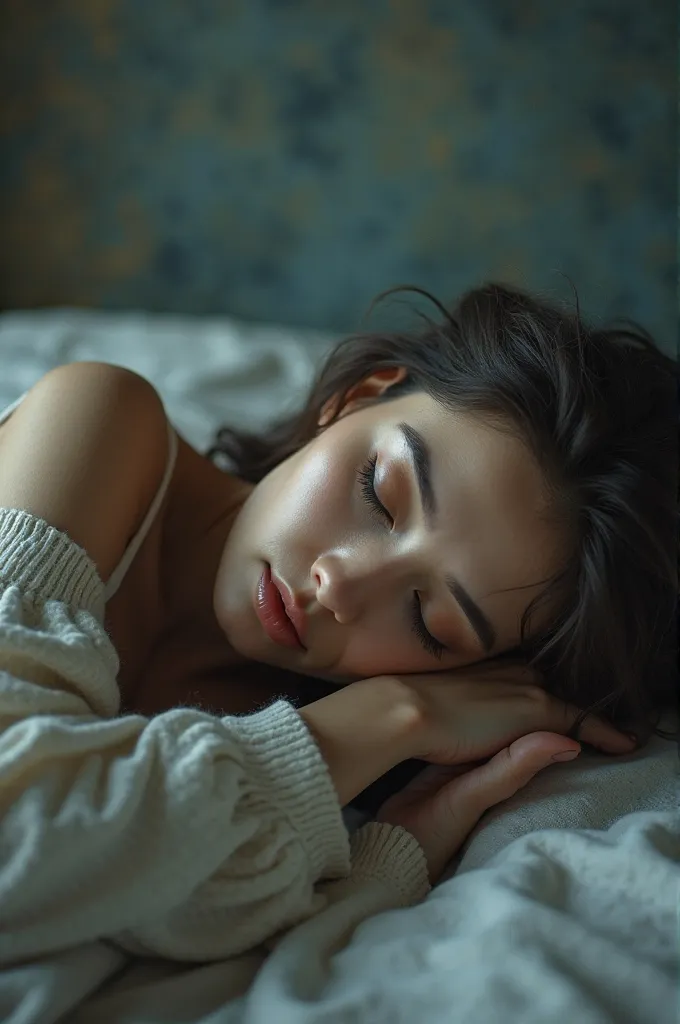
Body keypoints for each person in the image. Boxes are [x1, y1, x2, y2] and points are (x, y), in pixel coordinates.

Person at [0, 283, 675, 969]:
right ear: (355, 396)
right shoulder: (100, 422)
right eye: (378, 493)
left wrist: (396, 854)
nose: (341, 585)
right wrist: (393, 712)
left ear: (470, 673)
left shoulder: (303, 757)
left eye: (429, 619)